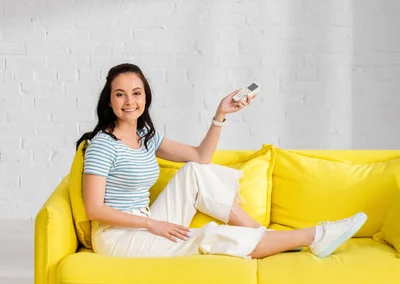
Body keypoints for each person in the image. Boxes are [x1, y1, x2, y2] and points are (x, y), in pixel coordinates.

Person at [76, 63, 367, 260]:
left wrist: (220, 114)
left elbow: (201, 158)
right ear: (110, 101)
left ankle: (263, 235)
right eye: (120, 94)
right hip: (118, 237)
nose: (129, 101)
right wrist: (153, 225)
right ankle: (317, 234)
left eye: (136, 93)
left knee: (193, 172)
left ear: (145, 98)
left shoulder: (146, 136)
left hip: (146, 221)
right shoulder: (104, 144)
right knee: (208, 236)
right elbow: (94, 209)